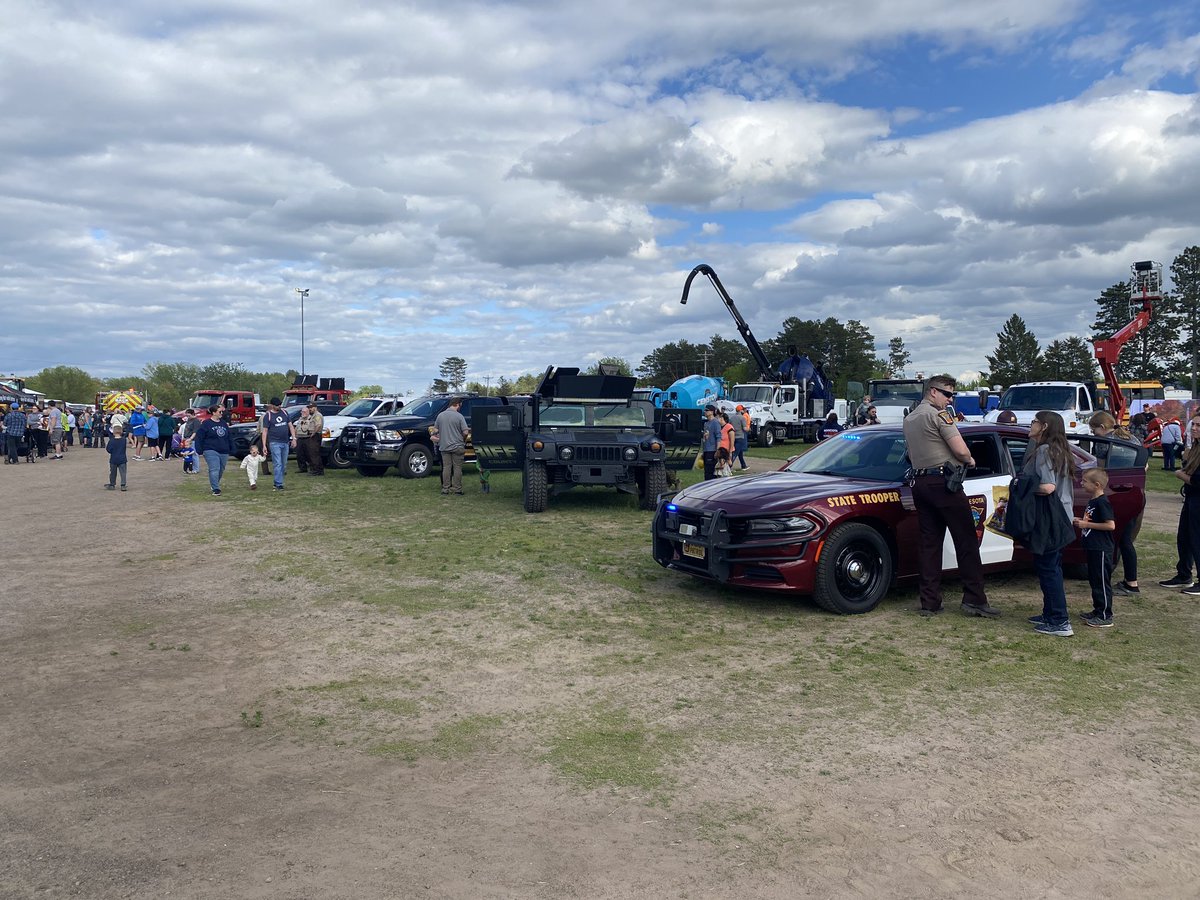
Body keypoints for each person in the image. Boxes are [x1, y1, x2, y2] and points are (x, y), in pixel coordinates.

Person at [902, 375, 998, 618]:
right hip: (944, 483)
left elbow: (911, 454)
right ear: (933, 392)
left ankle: (930, 602)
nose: (950, 399)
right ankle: (974, 599)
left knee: (929, 544)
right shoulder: (939, 415)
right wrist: (970, 459)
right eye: (947, 394)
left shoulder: (910, 418)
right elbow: (960, 449)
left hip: (919, 482)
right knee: (966, 540)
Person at [1025, 410, 1078, 637]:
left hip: (1050, 516)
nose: (1031, 424)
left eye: (1035, 421)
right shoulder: (1059, 450)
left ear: (1044, 426)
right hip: (1060, 514)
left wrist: (1020, 488)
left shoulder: (1046, 450)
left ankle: (1059, 620)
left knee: (1049, 568)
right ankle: (1050, 613)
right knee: (1050, 565)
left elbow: (1048, 486)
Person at [1088, 411, 1142, 595]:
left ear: (1102, 428)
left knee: (1120, 540)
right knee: (1126, 537)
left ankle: (1131, 583)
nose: (1094, 434)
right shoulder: (1132, 439)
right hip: (1133, 493)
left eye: (1094, 430)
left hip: (1114, 494)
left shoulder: (1104, 444)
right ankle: (1130, 580)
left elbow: (1100, 472)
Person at [1160, 414, 1200, 595]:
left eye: (1198, 426)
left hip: (1198, 497)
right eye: (1194, 425)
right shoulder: (1195, 447)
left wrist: (1181, 475)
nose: (1194, 428)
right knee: (1184, 537)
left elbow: (1197, 480)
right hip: (1191, 498)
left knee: (1197, 538)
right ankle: (1184, 574)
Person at [1073, 468, 1116, 627]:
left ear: (1097, 485)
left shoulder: (1103, 502)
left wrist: (1086, 524)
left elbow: (1110, 525)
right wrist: (1081, 521)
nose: (1081, 483)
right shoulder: (1092, 501)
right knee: (1094, 580)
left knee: (1101, 581)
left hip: (1101, 548)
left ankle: (1105, 615)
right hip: (1092, 547)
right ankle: (1098, 609)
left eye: (1084, 481)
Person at [432, 397, 470, 495]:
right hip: (458, 446)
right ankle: (457, 489)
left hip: (444, 446)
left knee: (446, 468)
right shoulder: (459, 416)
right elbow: (465, 432)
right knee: (457, 468)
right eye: (460, 405)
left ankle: (445, 489)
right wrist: (463, 439)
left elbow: (435, 431)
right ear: (457, 404)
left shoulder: (440, 416)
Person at [194, 406, 234, 496]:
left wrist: (232, 447)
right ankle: (216, 488)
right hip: (210, 449)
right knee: (214, 468)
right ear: (214, 413)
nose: (221, 413)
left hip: (223, 450)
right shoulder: (206, 424)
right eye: (219, 412)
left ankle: (215, 483)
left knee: (221, 469)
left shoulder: (223, 423)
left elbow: (229, 437)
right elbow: (199, 437)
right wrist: (199, 449)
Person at [260, 398, 296, 491]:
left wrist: (294, 438)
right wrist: (264, 445)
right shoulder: (267, 416)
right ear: (272, 405)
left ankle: (277, 482)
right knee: (278, 463)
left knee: (283, 464)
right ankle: (278, 483)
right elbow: (265, 431)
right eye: (277, 405)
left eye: (280, 405)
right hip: (274, 442)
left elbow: (290, 426)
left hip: (285, 442)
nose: (279, 407)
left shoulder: (284, 413)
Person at [297, 402, 325, 476]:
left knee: (314, 454)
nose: (310, 409)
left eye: (311, 407)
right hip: (313, 435)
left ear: (315, 407)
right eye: (309, 408)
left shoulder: (317, 415)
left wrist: (313, 433)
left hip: (315, 435)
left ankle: (317, 470)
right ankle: (315, 469)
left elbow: (318, 425)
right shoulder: (314, 415)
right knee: (312, 453)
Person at [700, 405, 721, 481]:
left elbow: (718, 437)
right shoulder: (706, 424)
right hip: (706, 450)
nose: (705, 412)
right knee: (706, 472)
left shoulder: (715, 422)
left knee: (711, 472)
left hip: (712, 451)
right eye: (705, 410)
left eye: (707, 410)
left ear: (712, 412)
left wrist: (718, 450)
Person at [105, 424, 128, 491]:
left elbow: (108, 449)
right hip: (122, 458)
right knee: (123, 472)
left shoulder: (111, 440)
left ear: (113, 432)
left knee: (113, 472)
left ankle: (112, 484)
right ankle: (123, 485)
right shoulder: (124, 440)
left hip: (113, 458)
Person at [729, 404, 748, 470]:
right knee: (735, 453)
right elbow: (745, 428)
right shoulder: (742, 418)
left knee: (740, 452)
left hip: (733, 437)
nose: (744, 411)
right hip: (740, 437)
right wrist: (749, 429)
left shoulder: (732, 418)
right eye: (743, 409)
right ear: (740, 410)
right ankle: (729, 466)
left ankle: (743, 465)